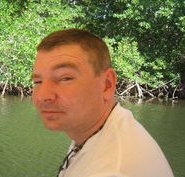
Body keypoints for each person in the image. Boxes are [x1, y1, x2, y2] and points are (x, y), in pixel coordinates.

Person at [31, 29, 174, 177]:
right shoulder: (100, 128)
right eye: (38, 81)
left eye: (65, 78)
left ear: (107, 84)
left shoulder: (112, 170)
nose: (42, 96)